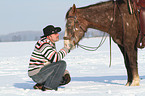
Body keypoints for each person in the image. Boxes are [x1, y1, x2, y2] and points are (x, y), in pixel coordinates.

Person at [28, 25, 71, 91]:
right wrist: (66, 49)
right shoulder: (44, 44)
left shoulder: (49, 43)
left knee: (65, 79)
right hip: (37, 74)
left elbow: (52, 62)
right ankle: (48, 87)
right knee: (62, 63)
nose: (58, 35)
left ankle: (41, 85)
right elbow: (55, 58)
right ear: (49, 36)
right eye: (55, 33)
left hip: (42, 72)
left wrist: (65, 73)